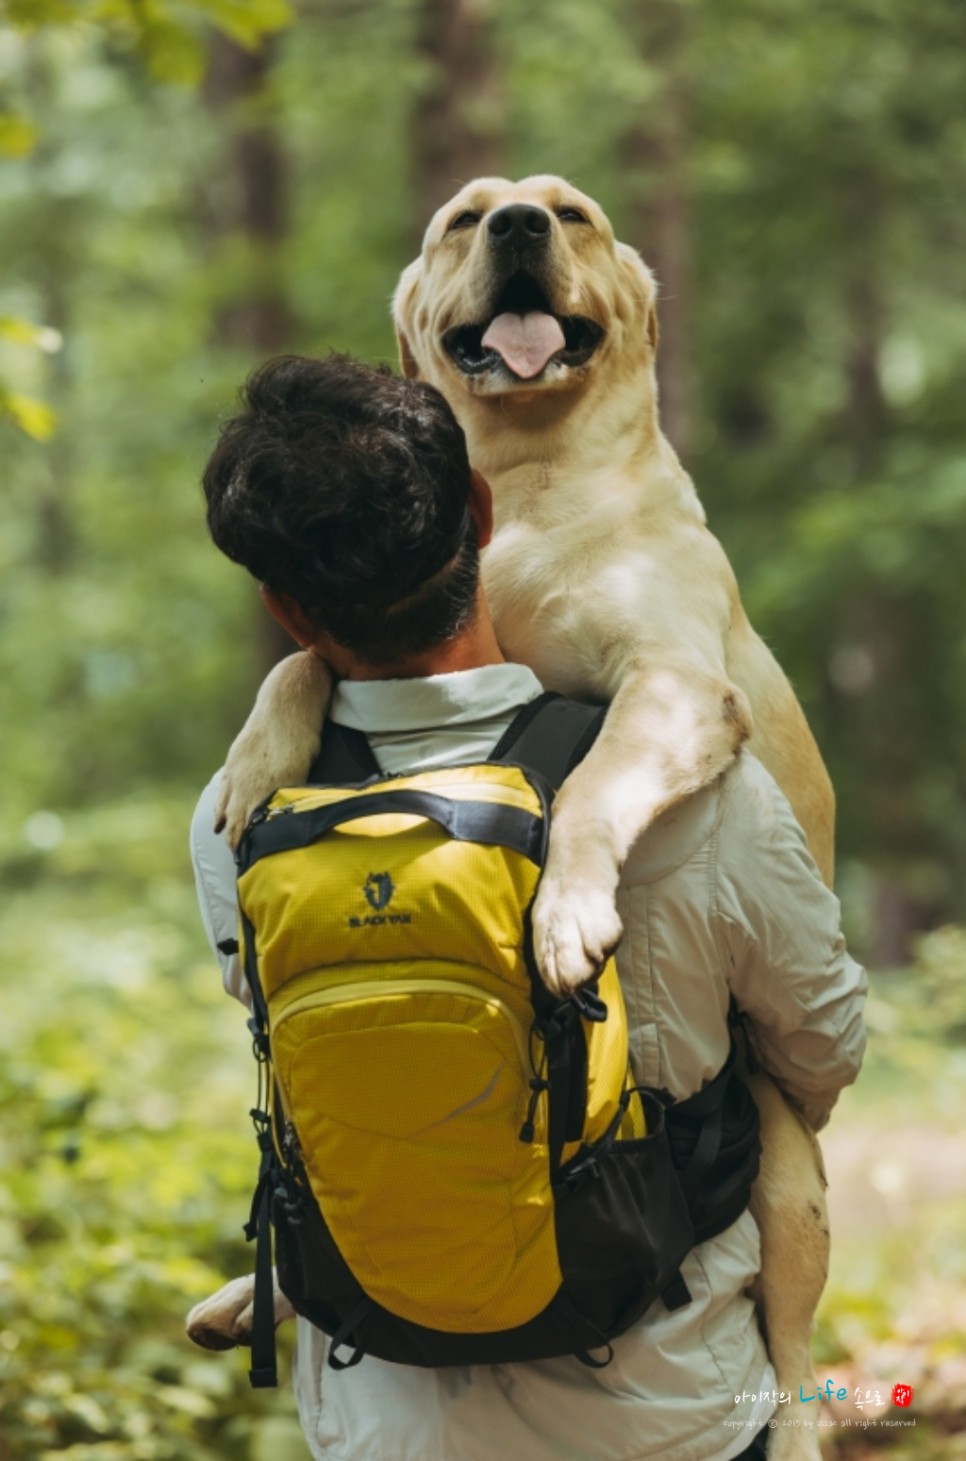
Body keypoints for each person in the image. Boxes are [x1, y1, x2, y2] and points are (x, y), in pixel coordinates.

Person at [191, 353, 867, 1461]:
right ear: (483, 513)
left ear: (282, 606)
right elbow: (826, 1041)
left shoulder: (242, 814)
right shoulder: (687, 779)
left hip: (381, 1419)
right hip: (675, 1412)